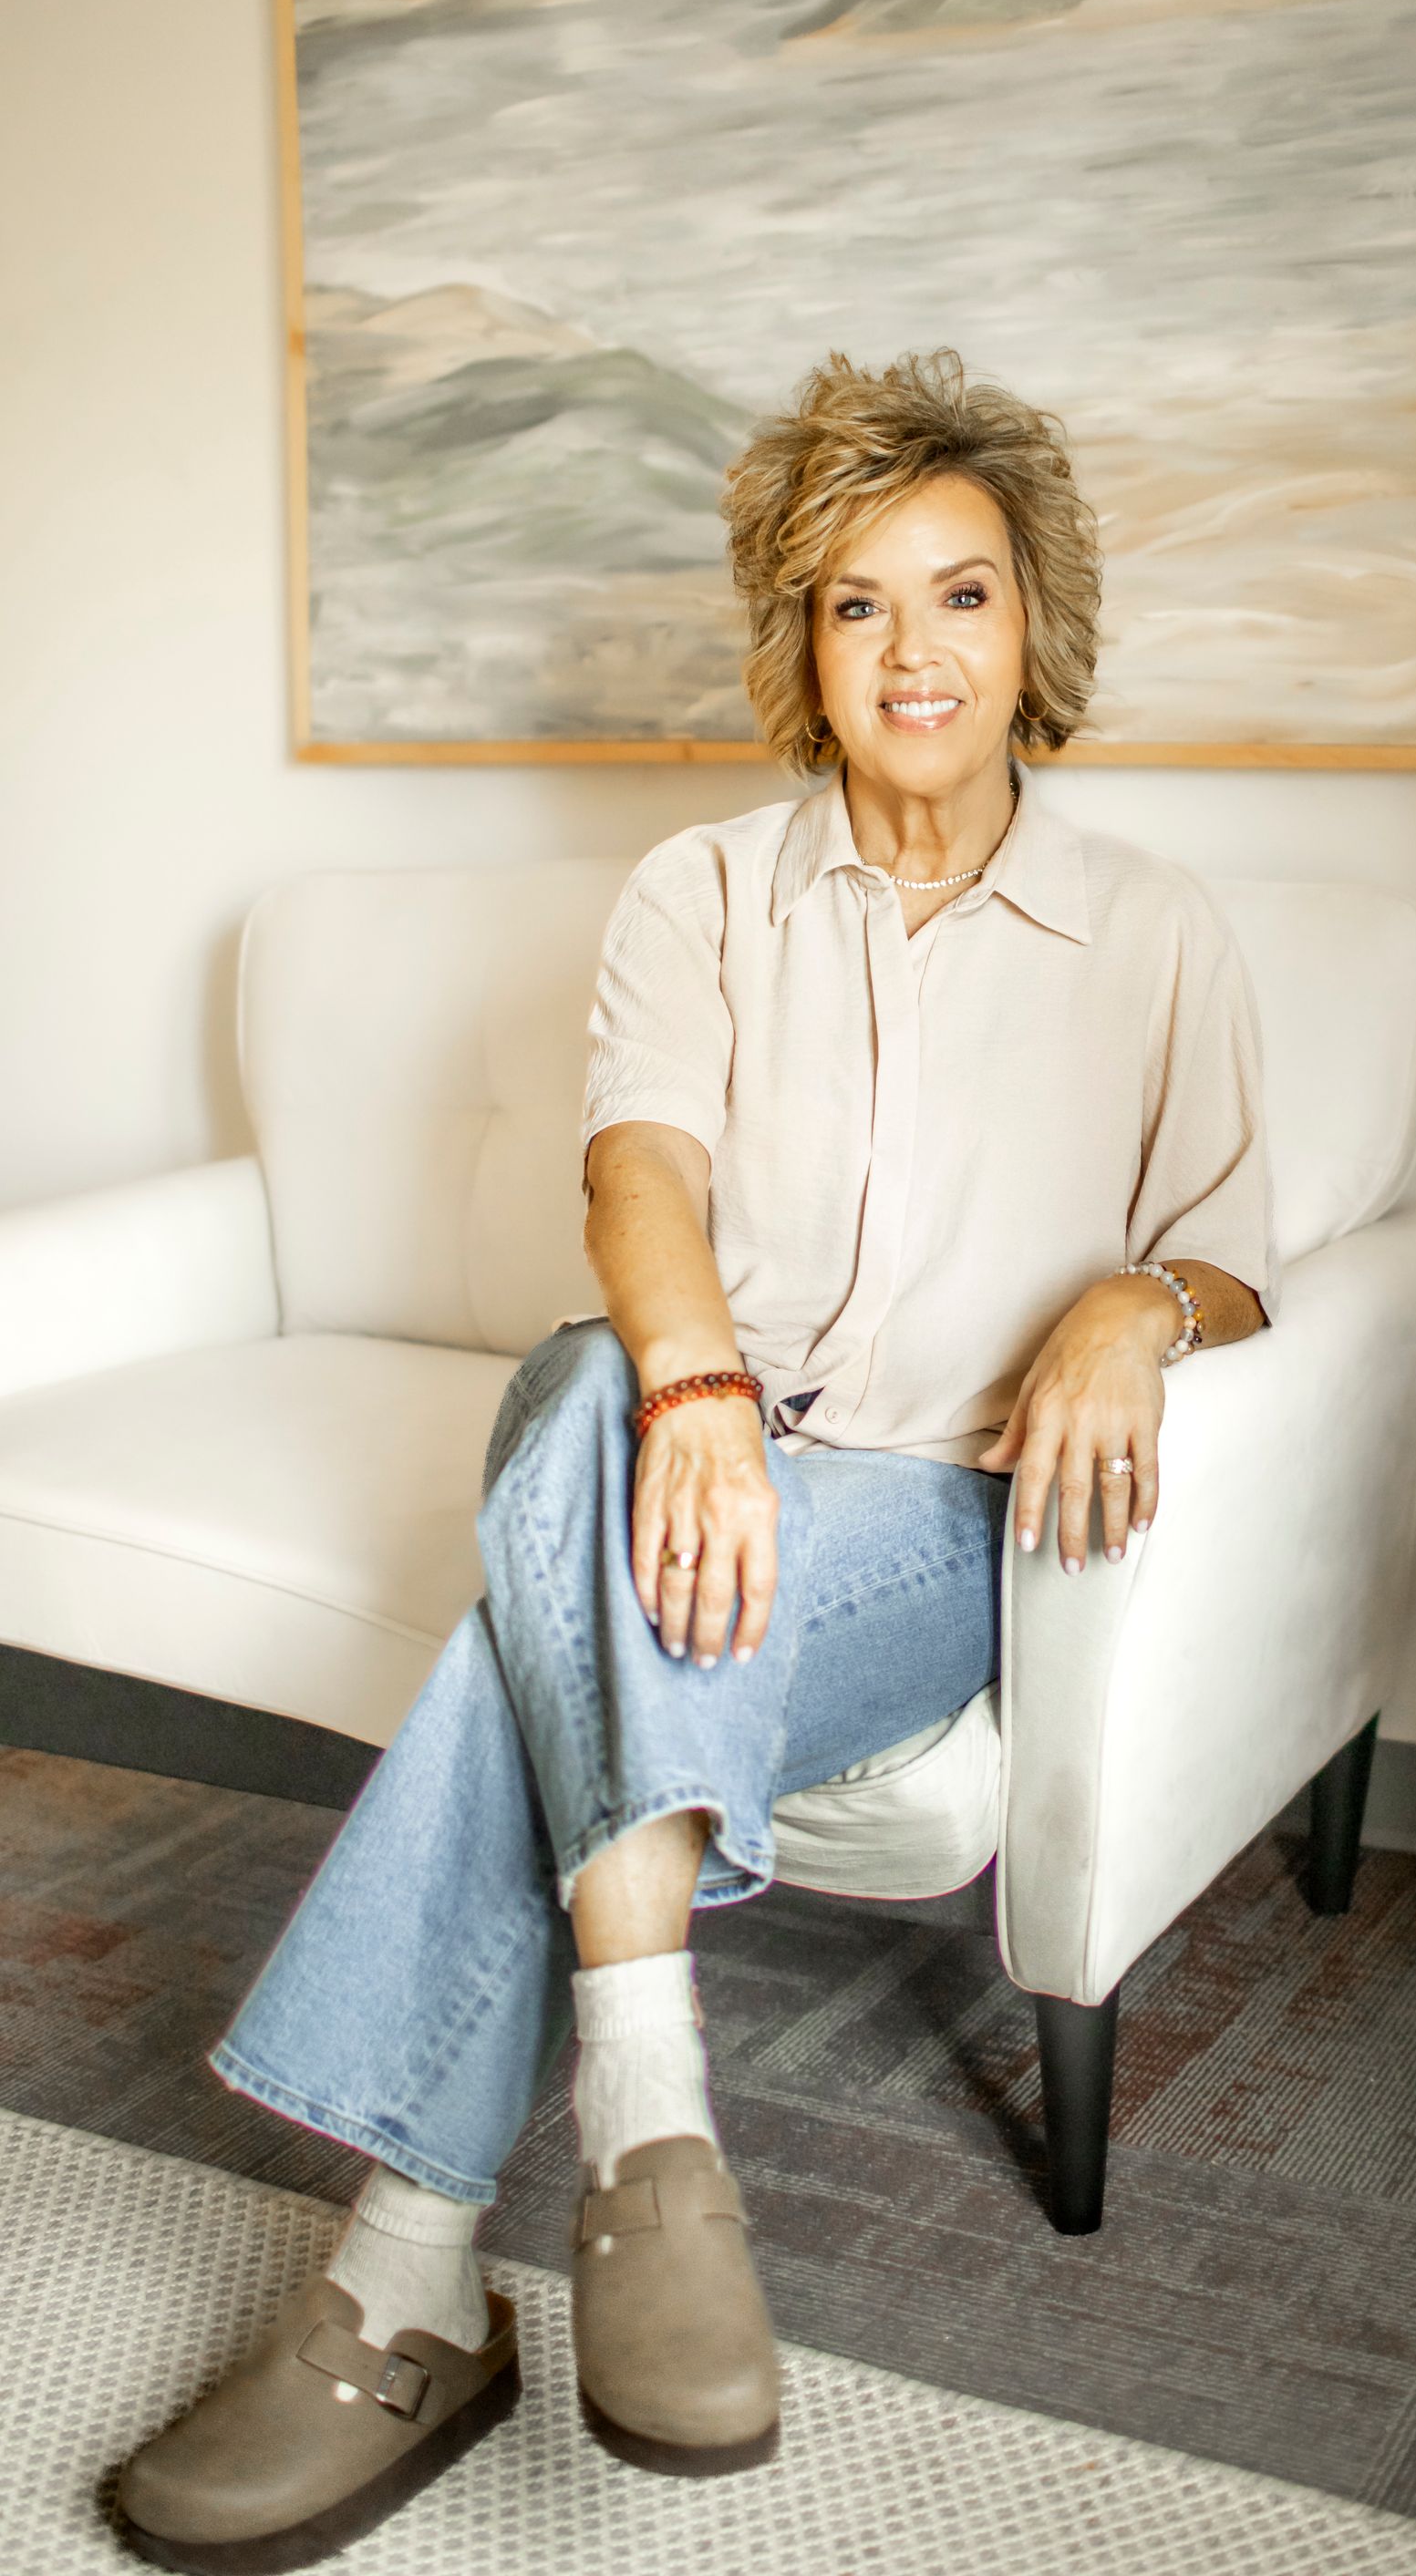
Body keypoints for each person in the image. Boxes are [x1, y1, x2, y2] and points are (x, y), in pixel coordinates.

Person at [113, 347, 1279, 2571]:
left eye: (959, 596)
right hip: (703, 1436)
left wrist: (1140, 1307)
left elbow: (1232, 1247)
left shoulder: (1157, 930)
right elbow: (635, 1174)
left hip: (938, 1515)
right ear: (799, 643)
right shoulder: (706, 893)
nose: (913, 653)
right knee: (585, 1390)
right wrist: (706, 1390)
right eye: (858, 605)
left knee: (520, 1629)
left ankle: (405, 2283)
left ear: (1036, 628)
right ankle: (647, 2134)